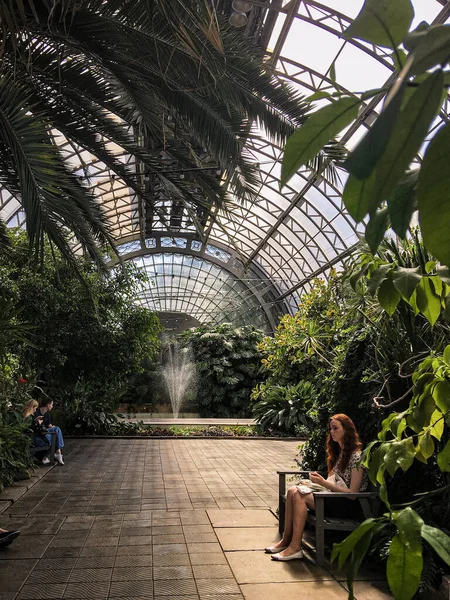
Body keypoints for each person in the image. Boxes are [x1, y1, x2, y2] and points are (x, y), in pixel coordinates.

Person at [266, 413, 368, 561]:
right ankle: (286, 541)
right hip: (334, 498)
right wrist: (316, 483)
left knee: (300, 496)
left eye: (335, 428)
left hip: (348, 505)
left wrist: (322, 483)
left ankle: (295, 548)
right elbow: (333, 480)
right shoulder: (341, 454)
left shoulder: (357, 456)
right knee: (292, 490)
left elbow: (352, 493)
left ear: (347, 430)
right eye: (330, 429)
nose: (332, 432)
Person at [33, 398, 65, 465]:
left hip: (46, 431)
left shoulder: (48, 414)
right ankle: (58, 453)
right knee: (55, 433)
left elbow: (50, 425)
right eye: (51, 405)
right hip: (40, 432)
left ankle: (58, 452)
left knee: (56, 429)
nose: (52, 406)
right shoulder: (36, 412)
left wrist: (53, 427)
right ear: (48, 405)